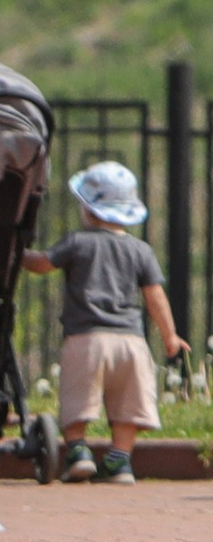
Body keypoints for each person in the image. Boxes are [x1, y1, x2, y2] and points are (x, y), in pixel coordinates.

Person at [22, 161, 191, 483]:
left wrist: (17, 253)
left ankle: (78, 452)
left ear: (87, 207)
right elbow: (155, 296)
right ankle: (120, 460)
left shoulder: (77, 242)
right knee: (128, 405)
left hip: (87, 339)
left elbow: (42, 264)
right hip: (131, 342)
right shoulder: (141, 250)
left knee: (78, 400)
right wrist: (170, 336)